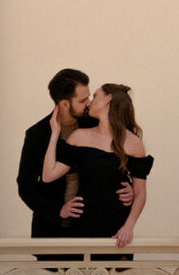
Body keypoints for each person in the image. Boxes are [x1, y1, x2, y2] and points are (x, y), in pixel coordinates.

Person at [17, 68, 133, 237]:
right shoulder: (37, 134)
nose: (89, 103)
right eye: (82, 100)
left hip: (95, 227)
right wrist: (58, 211)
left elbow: (116, 159)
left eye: (89, 97)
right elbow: (26, 186)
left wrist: (128, 185)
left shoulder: (95, 123)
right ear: (64, 103)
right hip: (52, 230)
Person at [43, 83, 153, 247]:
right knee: (79, 272)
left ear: (108, 99)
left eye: (95, 96)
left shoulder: (133, 143)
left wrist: (129, 226)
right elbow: (48, 175)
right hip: (82, 223)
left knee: (113, 273)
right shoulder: (79, 136)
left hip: (117, 227)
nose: (89, 102)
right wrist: (54, 134)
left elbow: (140, 193)